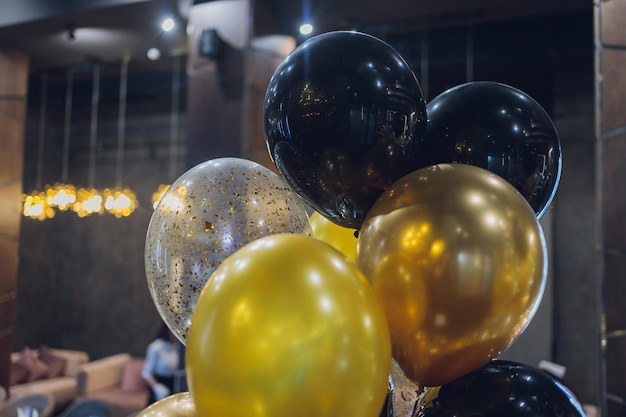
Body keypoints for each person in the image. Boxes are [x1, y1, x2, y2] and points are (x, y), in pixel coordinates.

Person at [142, 322, 180, 406]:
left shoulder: (177, 346)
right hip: (160, 384)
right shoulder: (156, 347)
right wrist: (157, 388)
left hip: (174, 384)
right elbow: (146, 373)